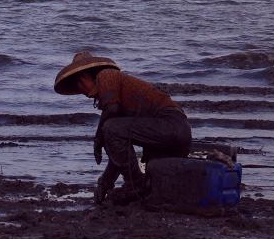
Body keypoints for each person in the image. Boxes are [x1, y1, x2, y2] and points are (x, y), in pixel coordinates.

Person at [53, 50, 192, 205]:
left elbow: (111, 119)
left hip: (171, 126)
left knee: (110, 128)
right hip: (173, 136)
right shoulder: (116, 102)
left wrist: (98, 139)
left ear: (86, 76)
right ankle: (137, 186)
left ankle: (136, 185)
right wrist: (105, 182)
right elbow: (119, 152)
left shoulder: (106, 75)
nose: (80, 89)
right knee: (154, 187)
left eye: (80, 82)